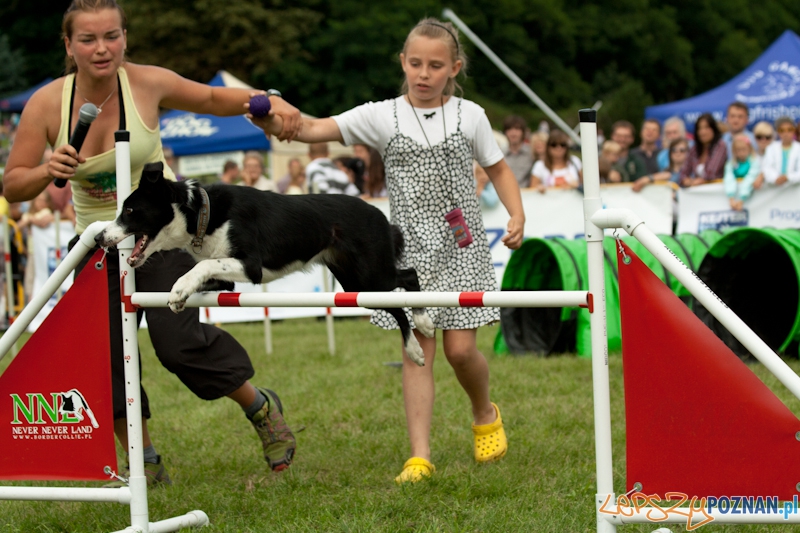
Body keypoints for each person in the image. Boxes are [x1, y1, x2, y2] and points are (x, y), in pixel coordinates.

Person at [2, 0, 300, 483]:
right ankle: (142, 457)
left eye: (112, 36)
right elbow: (13, 184)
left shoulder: (146, 82)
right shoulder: (45, 103)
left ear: (125, 37)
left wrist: (266, 100)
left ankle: (262, 409)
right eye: (88, 39)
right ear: (68, 45)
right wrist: (44, 171)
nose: (102, 49)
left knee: (178, 343)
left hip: (161, 238)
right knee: (108, 363)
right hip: (96, 247)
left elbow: (210, 100)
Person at [250, 17, 524, 484]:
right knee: (416, 348)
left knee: (461, 353)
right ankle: (419, 456)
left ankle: (484, 411)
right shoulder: (382, 114)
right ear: (403, 62)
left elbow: (497, 168)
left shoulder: (472, 115)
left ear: (454, 68)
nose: (423, 73)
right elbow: (315, 128)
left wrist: (516, 214)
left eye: (435, 65)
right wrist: (275, 121)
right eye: (415, 63)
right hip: (404, 251)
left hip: (462, 246)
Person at [679, 113, 726, 186]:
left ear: (713, 129)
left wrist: (693, 181)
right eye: (699, 128)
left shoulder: (720, 145)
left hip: (716, 191)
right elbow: (683, 174)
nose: (703, 132)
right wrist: (688, 181)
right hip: (697, 193)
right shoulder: (694, 149)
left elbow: (711, 174)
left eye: (706, 127)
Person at [724, 134, 760, 211]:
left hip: (748, 196)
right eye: (738, 150)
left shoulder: (754, 162)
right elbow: (728, 178)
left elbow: (751, 178)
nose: (741, 153)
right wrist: (731, 197)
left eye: (744, 149)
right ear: (734, 151)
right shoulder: (730, 164)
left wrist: (742, 199)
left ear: (749, 149)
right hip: (734, 198)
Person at [762, 116, 800, 186]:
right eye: (782, 130)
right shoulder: (771, 148)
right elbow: (767, 168)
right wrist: (776, 178)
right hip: (776, 190)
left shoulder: (798, 148)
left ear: (794, 131)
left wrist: (788, 177)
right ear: (777, 132)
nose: (786, 133)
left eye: (789, 129)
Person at [502, 115, 534, 187]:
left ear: (523, 132)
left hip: (527, 194)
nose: (513, 133)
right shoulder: (499, 154)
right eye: (509, 129)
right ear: (505, 132)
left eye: (517, 129)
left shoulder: (532, 153)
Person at [751, 121, 775, 190]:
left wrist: (762, 175)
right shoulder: (751, 155)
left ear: (773, 137)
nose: (763, 140)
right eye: (759, 137)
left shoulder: (779, 153)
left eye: (767, 137)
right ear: (754, 138)